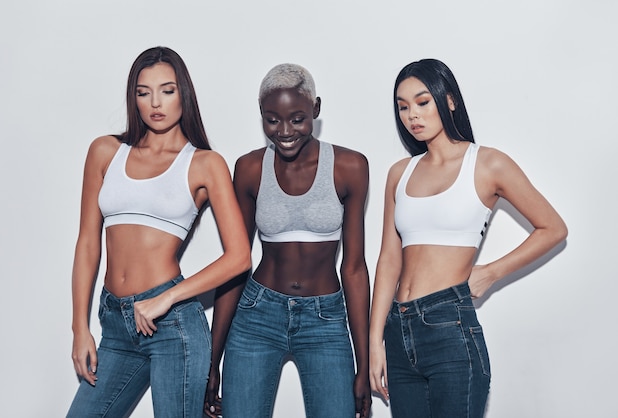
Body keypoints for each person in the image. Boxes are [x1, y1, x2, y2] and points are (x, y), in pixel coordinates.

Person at [369, 58, 568, 418]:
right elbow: (389, 259)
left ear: (449, 100)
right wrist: (374, 341)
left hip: (450, 328)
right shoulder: (400, 172)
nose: (412, 114)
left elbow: (553, 228)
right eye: (403, 106)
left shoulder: (488, 163)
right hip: (398, 330)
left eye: (422, 101)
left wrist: (491, 271)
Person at [66, 46, 250, 418]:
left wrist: (167, 299)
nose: (155, 102)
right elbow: (88, 243)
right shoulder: (105, 151)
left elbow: (239, 257)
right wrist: (79, 327)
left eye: (167, 90)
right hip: (115, 323)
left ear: (184, 93)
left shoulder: (204, 164)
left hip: (172, 325)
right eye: (143, 91)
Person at [204, 63, 372, 418]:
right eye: (272, 120)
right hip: (256, 316)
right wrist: (211, 362)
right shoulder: (249, 168)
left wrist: (363, 364)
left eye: (297, 119)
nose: (284, 131)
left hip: (325, 319)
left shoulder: (350, 166)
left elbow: (354, 268)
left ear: (316, 109)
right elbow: (236, 263)